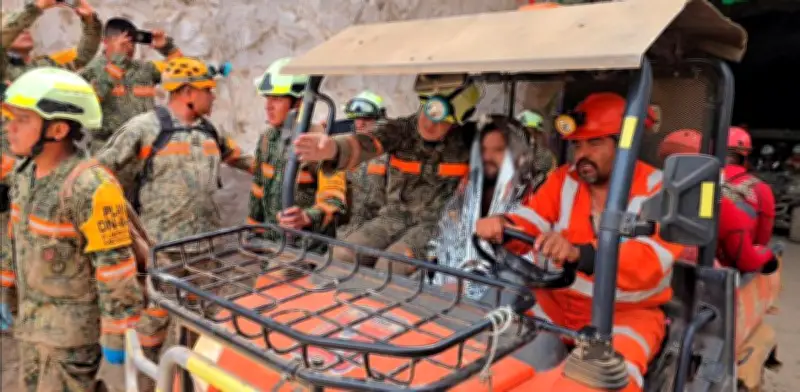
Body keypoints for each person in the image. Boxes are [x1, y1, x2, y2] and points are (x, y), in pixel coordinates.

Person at [475, 92, 682, 391]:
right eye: (577, 144)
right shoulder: (564, 179)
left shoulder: (658, 190)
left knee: (606, 380)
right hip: (557, 304)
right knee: (480, 335)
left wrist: (578, 254)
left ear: (626, 145)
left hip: (621, 318)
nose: (581, 154)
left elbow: (649, 261)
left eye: (594, 143)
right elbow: (532, 218)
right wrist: (504, 225)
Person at [0, 67, 145, 391]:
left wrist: (116, 333)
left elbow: (115, 267)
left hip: (71, 338)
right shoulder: (25, 174)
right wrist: (5, 287)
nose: (10, 128)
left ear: (58, 129)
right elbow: (15, 235)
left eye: (23, 120)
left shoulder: (90, 185)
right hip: (31, 323)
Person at [293, 74, 479, 275]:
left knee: (392, 266)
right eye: (428, 111)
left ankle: (372, 306)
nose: (430, 124)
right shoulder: (401, 130)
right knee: (341, 255)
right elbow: (367, 142)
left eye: (443, 120)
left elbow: (504, 154)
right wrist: (332, 148)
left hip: (437, 224)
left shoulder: (471, 139)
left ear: (459, 119)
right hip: (393, 217)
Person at [95, 56, 253, 246]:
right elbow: (97, 171)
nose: (213, 96)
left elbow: (242, 159)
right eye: (208, 90)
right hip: (162, 248)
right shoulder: (144, 128)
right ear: (188, 92)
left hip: (206, 244)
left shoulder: (209, 131)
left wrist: (286, 169)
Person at [431, 114, 555, 297]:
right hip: (447, 300)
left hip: (502, 306)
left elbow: (525, 266)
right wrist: (445, 283)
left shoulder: (536, 198)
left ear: (518, 153)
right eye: (483, 149)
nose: (487, 157)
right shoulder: (463, 195)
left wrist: (467, 288)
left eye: (498, 150)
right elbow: (443, 243)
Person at [248, 57, 347, 251]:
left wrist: (306, 217)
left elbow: (334, 199)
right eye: (267, 98)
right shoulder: (267, 139)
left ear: (298, 103)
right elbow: (258, 190)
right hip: (271, 243)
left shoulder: (320, 143)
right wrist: (254, 231)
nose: (268, 105)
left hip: (307, 248)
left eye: (277, 99)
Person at [658, 129, 778, 273]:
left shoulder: (646, 188)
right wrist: (766, 253)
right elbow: (752, 251)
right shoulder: (750, 193)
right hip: (707, 269)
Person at [80, 17, 184, 153]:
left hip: (144, 149)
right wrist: (117, 61)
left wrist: (167, 47)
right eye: (123, 42)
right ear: (105, 42)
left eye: (132, 42)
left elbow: (183, 72)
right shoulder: (92, 71)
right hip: (109, 150)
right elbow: (91, 103)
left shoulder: (144, 69)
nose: (129, 47)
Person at [1, 0, 101, 82]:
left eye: (26, 26)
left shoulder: (39, 68)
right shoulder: (4, 70)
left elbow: (80, 58)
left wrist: (90, 21)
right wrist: (35, 8)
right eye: (19, 29)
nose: (26, 29)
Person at [338, 90, 389, 238]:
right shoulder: (345, 152)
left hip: (377, 233)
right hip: (345, 231)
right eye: (356, 118)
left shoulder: (391, 154)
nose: (360, 123)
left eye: (367, 119)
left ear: (380, 119)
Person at [724, 126, 776, 246]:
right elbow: (763, 237)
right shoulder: (761, 189)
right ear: (745, 155)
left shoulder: (704, 181)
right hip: (738, 256)